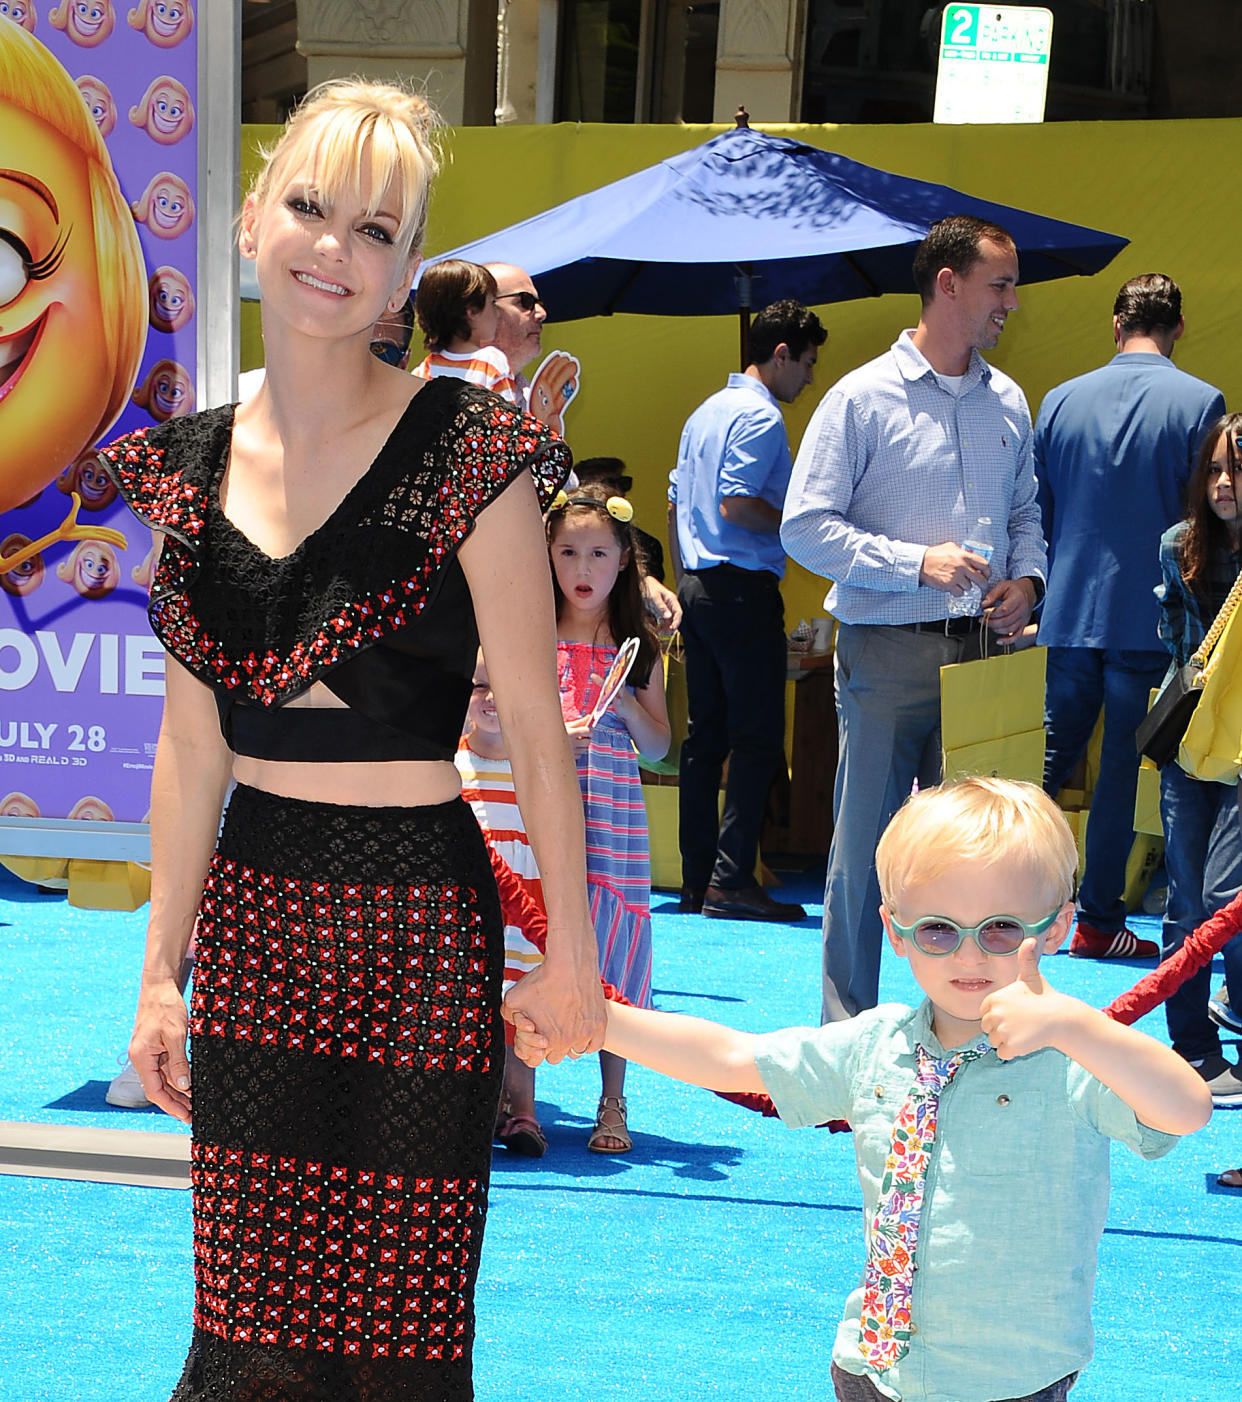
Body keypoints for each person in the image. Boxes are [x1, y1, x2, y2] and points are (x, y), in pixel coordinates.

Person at [99, 79, 603, 1400]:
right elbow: (188, 748)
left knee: (399, 1326)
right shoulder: (192, 466)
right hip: (258, 905)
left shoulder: (468, 453)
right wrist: (161, 971)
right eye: (311, 207)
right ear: (253, 217)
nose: (334, 246)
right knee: (248, 1321)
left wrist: (574, 953)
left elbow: (539, 740)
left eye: (375, 230)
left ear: (408, 272)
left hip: (416, 917)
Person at [518, 778, 1212, 1402]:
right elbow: (732, 1057)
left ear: (1057, 926)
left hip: (1014, 1382)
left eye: (1002, 929)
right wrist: (600, 1021)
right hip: (874, 1371)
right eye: (938, 929)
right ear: (896, 933)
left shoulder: (1072, 1059)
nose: (968, 955)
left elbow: (1185, 1106)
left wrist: (1077, 1026)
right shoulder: (875, 1044)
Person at [782, 214, 1047, 1022]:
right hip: (886, 651)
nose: (1012, 301)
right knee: (865, 853)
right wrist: (915, 564)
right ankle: (844, 1035)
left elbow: (1028, 511)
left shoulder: (1009, 400)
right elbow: (804, 526)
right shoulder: (861, 397)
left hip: (981, 657)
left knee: (985, 855)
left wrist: (1029, 580)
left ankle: (978, 1030)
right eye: (1000, 284)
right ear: (948, 284)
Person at [1036, 273, 1225, 961]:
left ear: (1116, 326)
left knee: (1047, 769)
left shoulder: (1058, 399)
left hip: (1066, 609)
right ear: (1177, 328)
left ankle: (1008, 906)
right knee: (1120, 767)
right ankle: (1096, 920)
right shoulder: (1201, 401)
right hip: (1150, 617)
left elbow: (1040, 515)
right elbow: (1207, 518)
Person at [669, 299, 826, 922]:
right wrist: (800, 526)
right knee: (757, 738)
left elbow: (680, 499)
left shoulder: (704, 413)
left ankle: (696, 879)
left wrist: (682, 580)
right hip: (741, 586)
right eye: (807, 363)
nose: (810, 378)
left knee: (703, 740)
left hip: (699, 586)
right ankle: (731, 879)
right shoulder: (761, 418)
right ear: (780, 354)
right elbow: (737, 502)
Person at [547, 485, 671, 1151]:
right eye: (569, 552)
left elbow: (660, 745)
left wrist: (622, 707)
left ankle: (612, 1102)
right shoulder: (527, 638)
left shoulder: (638, 647)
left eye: (598, 552)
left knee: (613, 948)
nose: (583, 568)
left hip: (613, 816)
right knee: (526, 933)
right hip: (540, 806)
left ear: (624, 560)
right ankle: (516, 1100)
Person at [1153, 413, 1242, 1107]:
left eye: (1235, 470)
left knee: (1224, 897)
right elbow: (1181, 652)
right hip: (1191, 743)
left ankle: (1233, 1016)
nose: (1222, 484)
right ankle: (1192, 1048)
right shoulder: (1179, 546)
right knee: (1185, 901)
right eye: (1212, 470)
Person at [455, 649, 551, 1155]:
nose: (489, 699)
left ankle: (526, 1110)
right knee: (479, 1005)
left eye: (499, 686)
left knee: (522, 1004)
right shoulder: (451, 762)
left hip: (525, 906)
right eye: (477, 686)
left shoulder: (531, 764)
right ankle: (486, 1105)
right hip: (472, 906)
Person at [411, 258, 518, 398]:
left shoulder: (421, 372)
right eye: (492, 302)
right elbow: (505, 418)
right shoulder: (491, 361)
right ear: (472, 311)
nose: (497, 313)